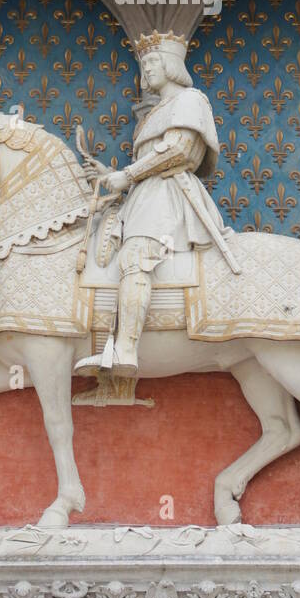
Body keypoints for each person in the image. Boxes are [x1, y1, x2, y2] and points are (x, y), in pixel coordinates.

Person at [75, 30, 231, 378]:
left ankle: (126, 351)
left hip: (169, 194)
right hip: (145, 194)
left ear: (172, 65)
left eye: (152, 63)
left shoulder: (191, 100)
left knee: (136, 256)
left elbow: (178, 150)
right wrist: (111, 174)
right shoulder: (156, 111)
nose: (146, 71)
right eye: (143, 65)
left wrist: (126, 176)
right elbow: (150, 158)